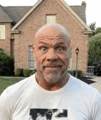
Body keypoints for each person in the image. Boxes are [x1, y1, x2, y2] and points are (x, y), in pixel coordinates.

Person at [0, 24, 101, 120]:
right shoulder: (11, 97)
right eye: (43, 48)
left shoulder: (92, 99)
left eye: (60, 48)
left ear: (70, 52)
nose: (51, 57)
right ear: (34, 52)